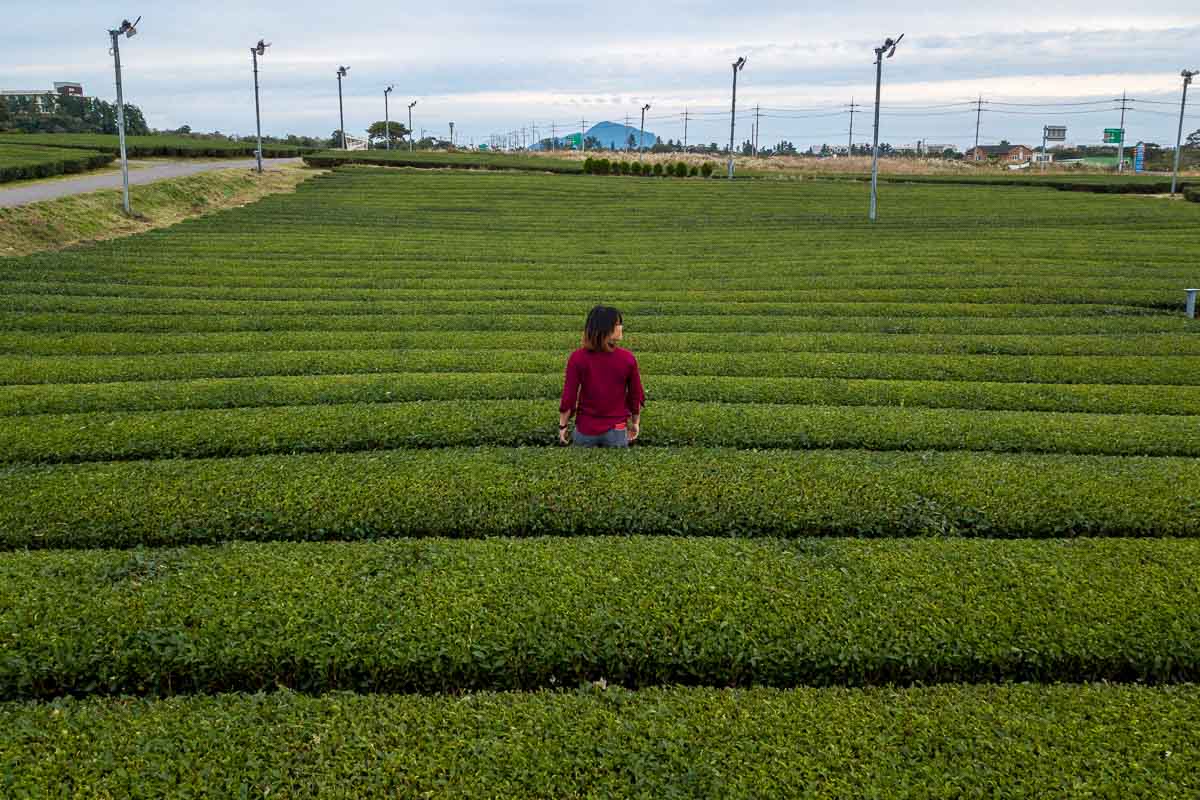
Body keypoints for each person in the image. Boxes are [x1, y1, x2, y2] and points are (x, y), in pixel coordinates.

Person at [559, 305, 645, 447]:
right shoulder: (627, 358)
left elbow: (569, 397)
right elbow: (635, 396)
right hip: (617, 430)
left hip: (585, 429)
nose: (621, 327)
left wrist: (563, 426)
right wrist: (635, 422)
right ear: (606, 329)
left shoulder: (577, 357)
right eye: (617, 324)